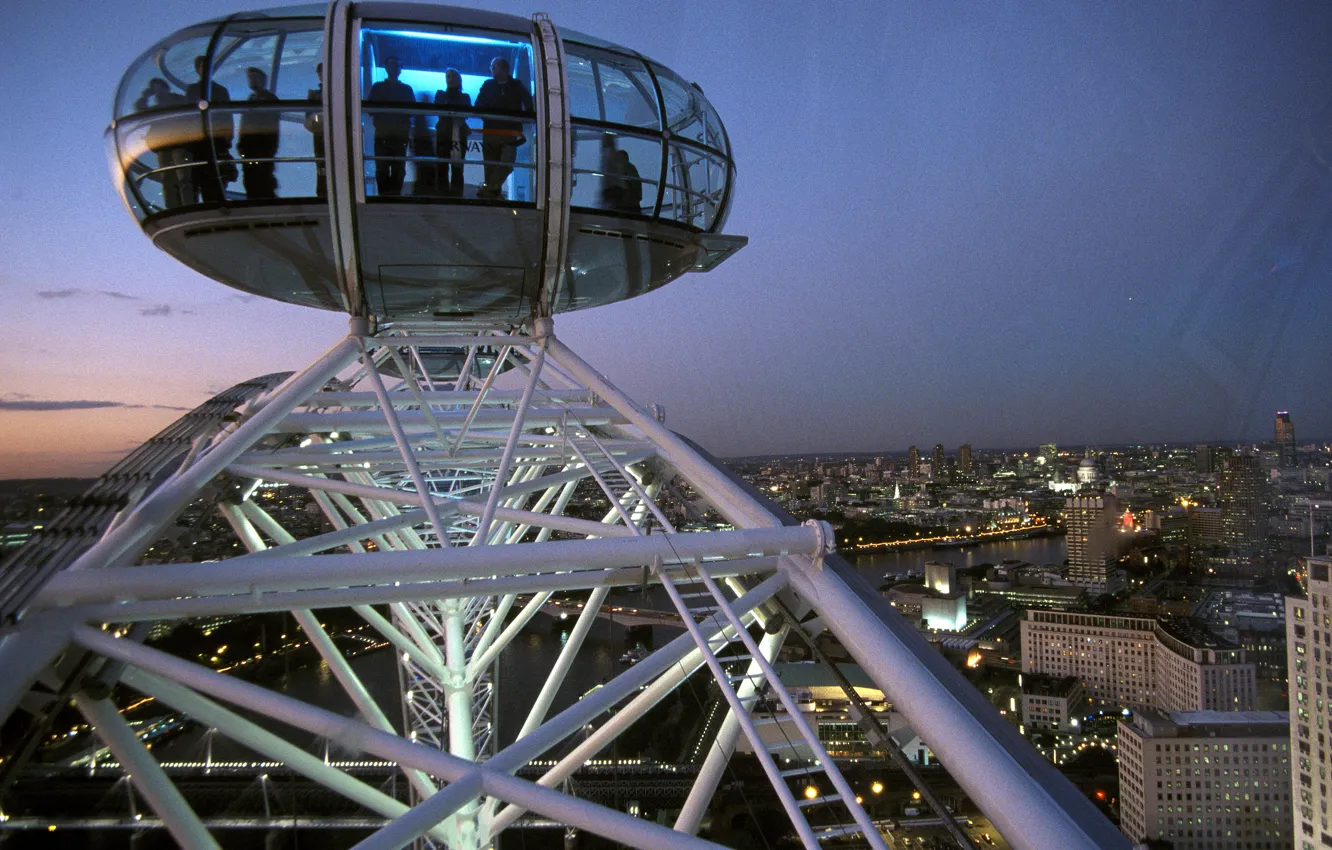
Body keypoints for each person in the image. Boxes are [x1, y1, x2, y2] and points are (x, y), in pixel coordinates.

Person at [474, 57, 533, 199]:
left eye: (495, 66)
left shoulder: (516, 85)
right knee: (490, 167)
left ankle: (488, 189)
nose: (491, 68)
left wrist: (525, 116)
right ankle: (492, 196)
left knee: (506, 163)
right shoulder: (488, 85)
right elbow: (478, 105)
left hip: (509, 132)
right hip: (490, 132)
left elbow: (529, 102)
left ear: (505, 69)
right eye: (491, 66)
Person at [135, 78, 193, 209]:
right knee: (167, 178)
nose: (157, 93)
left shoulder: (179, 100)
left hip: (180, 143)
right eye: (155, 90)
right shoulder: (157, 108)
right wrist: (145, 96)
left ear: (165, 88)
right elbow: (140, 110)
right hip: (163, 146)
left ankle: (188, 205)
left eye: (158, 88)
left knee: (183, 176)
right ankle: (172, 207)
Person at [185, 55, 234, 203]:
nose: (205, 69)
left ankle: (216, 201)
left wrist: (228, 135)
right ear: (197, 70)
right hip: (198, 139)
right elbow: (188, 115)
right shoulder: (192, 90)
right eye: (202, 66)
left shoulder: (220, 90)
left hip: (217, 138)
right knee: (199, 173)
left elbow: (227, 114)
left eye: (207, 66)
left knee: (216, 173)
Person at [365, 57, 415, 196]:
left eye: (397, 64)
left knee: (396, 169)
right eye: (392, 64)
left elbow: (411, 112)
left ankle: (392, 197)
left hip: (395, 134)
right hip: (386, 134)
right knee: (384, 168)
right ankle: (386, 197)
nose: (394, 67)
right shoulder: (379, 87)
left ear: (400, 68)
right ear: (386, 67)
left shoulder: (404, 89)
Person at [237, 68, 280, 199]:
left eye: (254, 78)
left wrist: (269, 149)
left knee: (262, 180)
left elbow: (271, 126)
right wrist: (241, 144)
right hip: (249, 149)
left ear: (262, 81)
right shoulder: (251, 99)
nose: (251, 81)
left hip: (262, 149)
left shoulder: (270, 99)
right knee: (251, 181)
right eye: (250, 78)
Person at [434, 68, 471, 197]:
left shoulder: (464, 97)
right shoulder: (440, 95)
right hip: (445, 133)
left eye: (452, 76)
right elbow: (440, 110)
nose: (449, 79)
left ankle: (456, 195)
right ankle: (443, 195)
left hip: (457, 134)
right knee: (442, 167)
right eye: (448, 76)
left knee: (457, 168)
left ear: (458, 79)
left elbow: (465, 113)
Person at [304, 63, 326, 197]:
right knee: (321, 164)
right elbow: (309, 118)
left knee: (323, 163)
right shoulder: (314, 95)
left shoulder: (315, 95)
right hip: (320, 135)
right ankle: (323, 191)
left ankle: (323, 191)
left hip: (324, 134)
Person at [410, 92, 436, 196]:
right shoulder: (420, 117)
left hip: (421, 147)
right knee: (425, 173)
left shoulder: (419, 117)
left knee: (422, 173)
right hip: (422, 147)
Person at [605, 149, 642, 214]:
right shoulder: (621, 169)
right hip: (624, 206)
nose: (616, 161)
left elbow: (627, 187)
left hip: (629, 208)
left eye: (618, 158)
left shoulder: (629, 169)